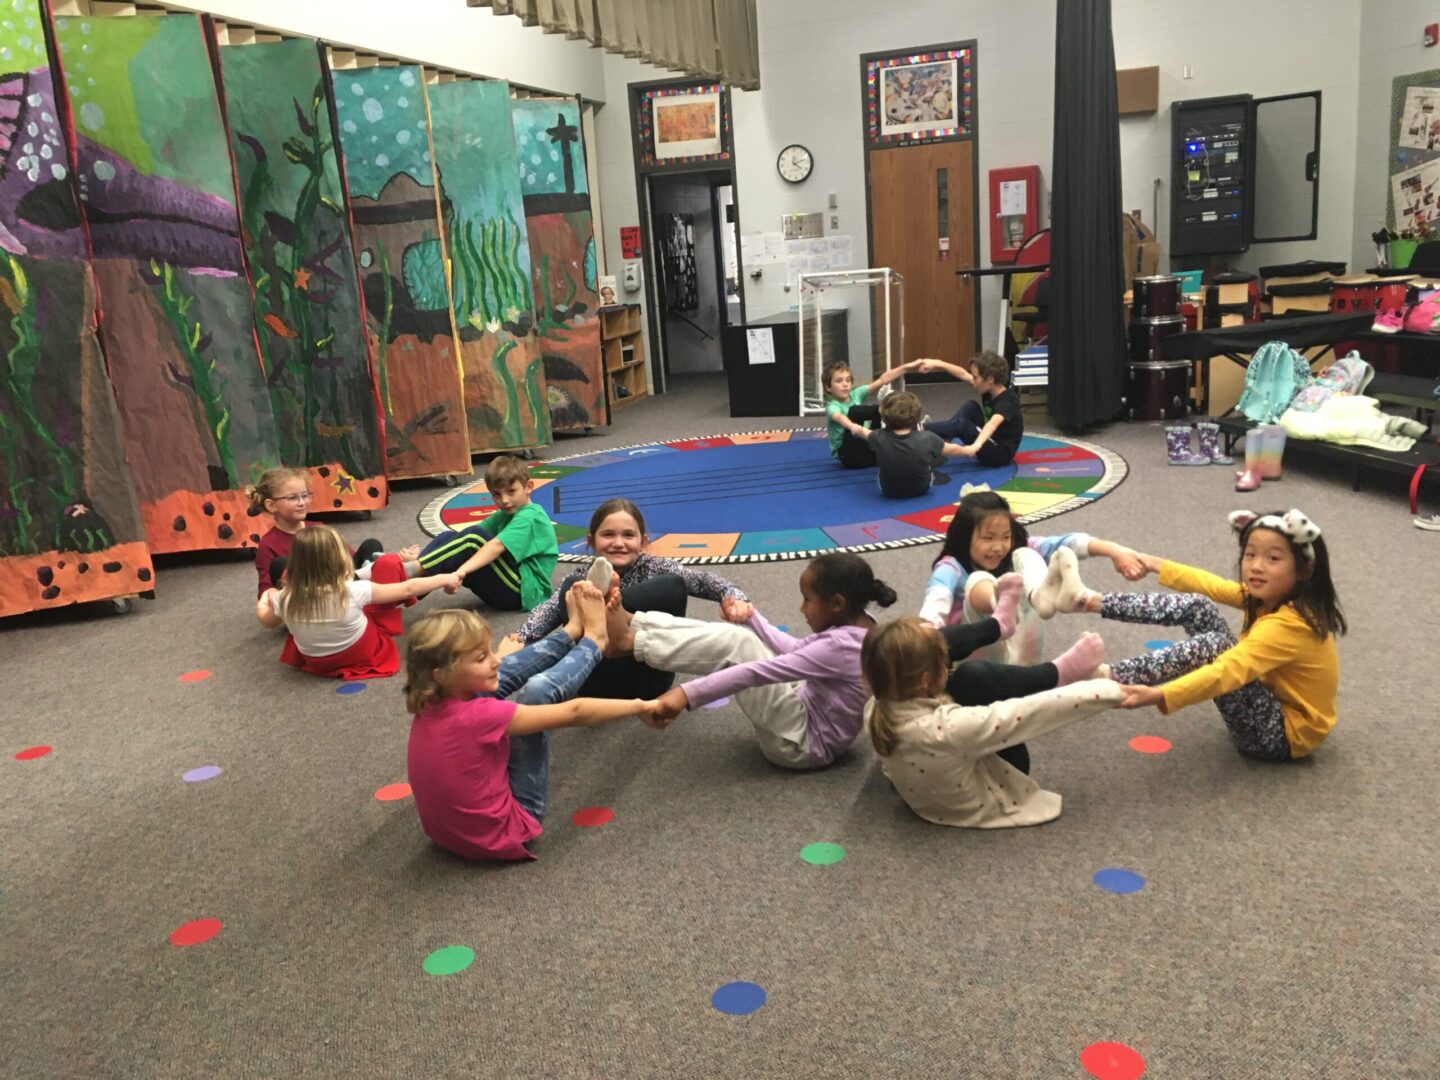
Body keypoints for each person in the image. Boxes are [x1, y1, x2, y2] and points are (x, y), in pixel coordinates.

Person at [403, 584, 664, 862]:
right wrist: (642, 705)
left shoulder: (431, 697)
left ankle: (571, 632)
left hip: (448, 834)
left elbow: (491, 670)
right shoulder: (479, 716)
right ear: (440, 674)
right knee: (537, 693)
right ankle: (595, 642)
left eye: (489, 651)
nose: (494, 660)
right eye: (481, 657)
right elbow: (575, 711)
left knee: (495, 674)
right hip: (508, 831)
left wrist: (495, 658)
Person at [1063, 509, 1345, 762]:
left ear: (1305, 569)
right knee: (1199, 606)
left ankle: (1107, 678)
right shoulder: (1268, 596)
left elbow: (1228, 670)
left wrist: (1161, 694)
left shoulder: (1289, 624)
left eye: (1273, 558)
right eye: (1250, 554)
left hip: (1280, 736)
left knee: (1217, 647)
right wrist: (1153, 563)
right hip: (1265, 698)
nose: (1257, 566)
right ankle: (1085, 600)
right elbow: (1212, 585)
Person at [614, 553, 898, 769]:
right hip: (806, 717)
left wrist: (685, 694)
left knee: (739, 644)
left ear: (836, 603)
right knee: (740, 638)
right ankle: (633, 624)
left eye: (807, 600)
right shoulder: (863, 626)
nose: (801, 608)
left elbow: (757, 673)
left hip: (800, 743)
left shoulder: (839, 646)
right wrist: (752, 616)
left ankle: (630, 641)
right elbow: (795, 650)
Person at [863, 617, 1122, 828]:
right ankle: (1060, 671)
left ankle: (999, 624)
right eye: (944, 662)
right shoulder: (951, 729)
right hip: (991, 795)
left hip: (930, 792)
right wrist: (1107, 691)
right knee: (975, 677)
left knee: (923, 650)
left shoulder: (875, 707)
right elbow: (1029, 712)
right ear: (924, 681)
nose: (948, 665)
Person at [514, 499, 749, 699]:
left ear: (643, 541)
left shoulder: (657, 567)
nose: (618, 543)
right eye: (608, 535)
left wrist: (733, 598)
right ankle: (605, 608)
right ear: (592, 541)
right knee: (571, 589)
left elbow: (706, 582)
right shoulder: (581, 577)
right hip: (595, 681)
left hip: (649, 676)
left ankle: (610, 608)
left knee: (671, 584)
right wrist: (520, 637)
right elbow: (547, 611)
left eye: (628, 535)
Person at [918, 489, 1145, 665]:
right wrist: (923, 643)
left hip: (1017, 652)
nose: (998, 547)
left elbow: (1063, 543)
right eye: (988, 538)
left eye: (1005, 537)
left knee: (1027, 554)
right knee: (977, 581)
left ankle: (1036, 597)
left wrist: (1113, 550)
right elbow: (935, 605)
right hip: (970, 658)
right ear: (964, 537)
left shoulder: (1013, 550)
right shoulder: (951, 568)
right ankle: (1006, 604)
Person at [255, 524, 460, 680]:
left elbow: (267, 621)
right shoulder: (352, 591)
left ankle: (375, 567)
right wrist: (445, 578)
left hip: (316, 663)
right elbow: (408, 589)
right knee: (388, 565)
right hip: (359, 655)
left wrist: (268, 597)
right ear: (338, 558)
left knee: (299, 617)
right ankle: (391, 566)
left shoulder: (286, 597)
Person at [414, 455, 557, 611]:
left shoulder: (531, 516)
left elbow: (494, 545)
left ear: (528, 487)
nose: (504, 500)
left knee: (473, 540)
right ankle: (408, 584)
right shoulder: (505, 514)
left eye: (511, 491)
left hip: (523, 592)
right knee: (448, 537)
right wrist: (426, 558)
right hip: (507, 584)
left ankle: (411, 571)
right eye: (497, 494)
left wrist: (460, 572)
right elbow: (460, 541)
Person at [245, 466, 414, 595]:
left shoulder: (318, 526)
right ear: (271, 505)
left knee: (371, 545)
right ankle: (377, 582)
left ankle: (382, 574)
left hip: (342, 579)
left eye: (305, 495)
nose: (302, 502)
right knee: (283, 564)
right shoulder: (268, 544)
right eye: (292, 498)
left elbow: (348, 558)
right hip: (308, 595)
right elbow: (267, 590)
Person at [844, 389, 970, 497]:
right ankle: (919, 427)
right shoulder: (928, 438)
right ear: (917, 416)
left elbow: (862, 431)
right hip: (921, 488)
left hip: (889, 490)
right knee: (928, 453)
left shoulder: (878, 436)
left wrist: (853, 427)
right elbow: (952, 450)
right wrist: (968, 450)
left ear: (885, 418)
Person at [915, 351, 1024, 467]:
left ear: (990, 379)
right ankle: (943, 438)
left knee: (963, 426)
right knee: (970, 406)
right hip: (990, 440)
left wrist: (975, 446)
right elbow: (961, 373)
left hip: (999, 454)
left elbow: (992, 425)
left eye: (975, 377)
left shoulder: (1008, 400)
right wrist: (937, 363)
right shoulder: (989, 387)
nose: (972, 381)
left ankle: (919, 429)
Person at [824, 358, 920, 469]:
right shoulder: (833, 406)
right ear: (828, 387)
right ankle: (884, 406)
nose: (845, 384)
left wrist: (906, 368)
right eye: (839, 381)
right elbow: (839, 417)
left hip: (867, 446)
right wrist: (852, 426)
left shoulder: (856, 394)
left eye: (848, 380)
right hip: (848, 455)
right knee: (856, 411)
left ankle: (910, 430)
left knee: (877, 412)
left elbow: (883, 379)